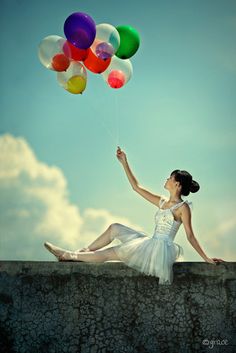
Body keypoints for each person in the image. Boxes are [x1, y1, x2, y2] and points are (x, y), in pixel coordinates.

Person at [44, 146, 224, 285]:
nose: (166, 179)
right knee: (114, 227)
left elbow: (190, 235)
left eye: (170, 177)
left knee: (110, 253)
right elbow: (136, 187)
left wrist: (206, 258)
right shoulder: (162, 201)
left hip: (158, 251)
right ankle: (84, 251)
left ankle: (68, 255)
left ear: (177, 185)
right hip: (150, 243)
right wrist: (124, 162)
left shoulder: (183, 208)